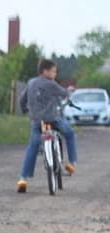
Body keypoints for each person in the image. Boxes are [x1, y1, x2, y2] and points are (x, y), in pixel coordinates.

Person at [17, 59, 77, 193]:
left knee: (32, 147)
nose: (55, 74)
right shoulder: (51, 84)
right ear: (45, 71)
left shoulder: (31, 83)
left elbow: (22, 99)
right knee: (70, 134)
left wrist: (26, 110)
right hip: (52, 120)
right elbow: (64, 93)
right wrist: (69, 92)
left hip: (37, 122)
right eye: (53, 71)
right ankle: (72, 163)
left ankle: (23, 179)